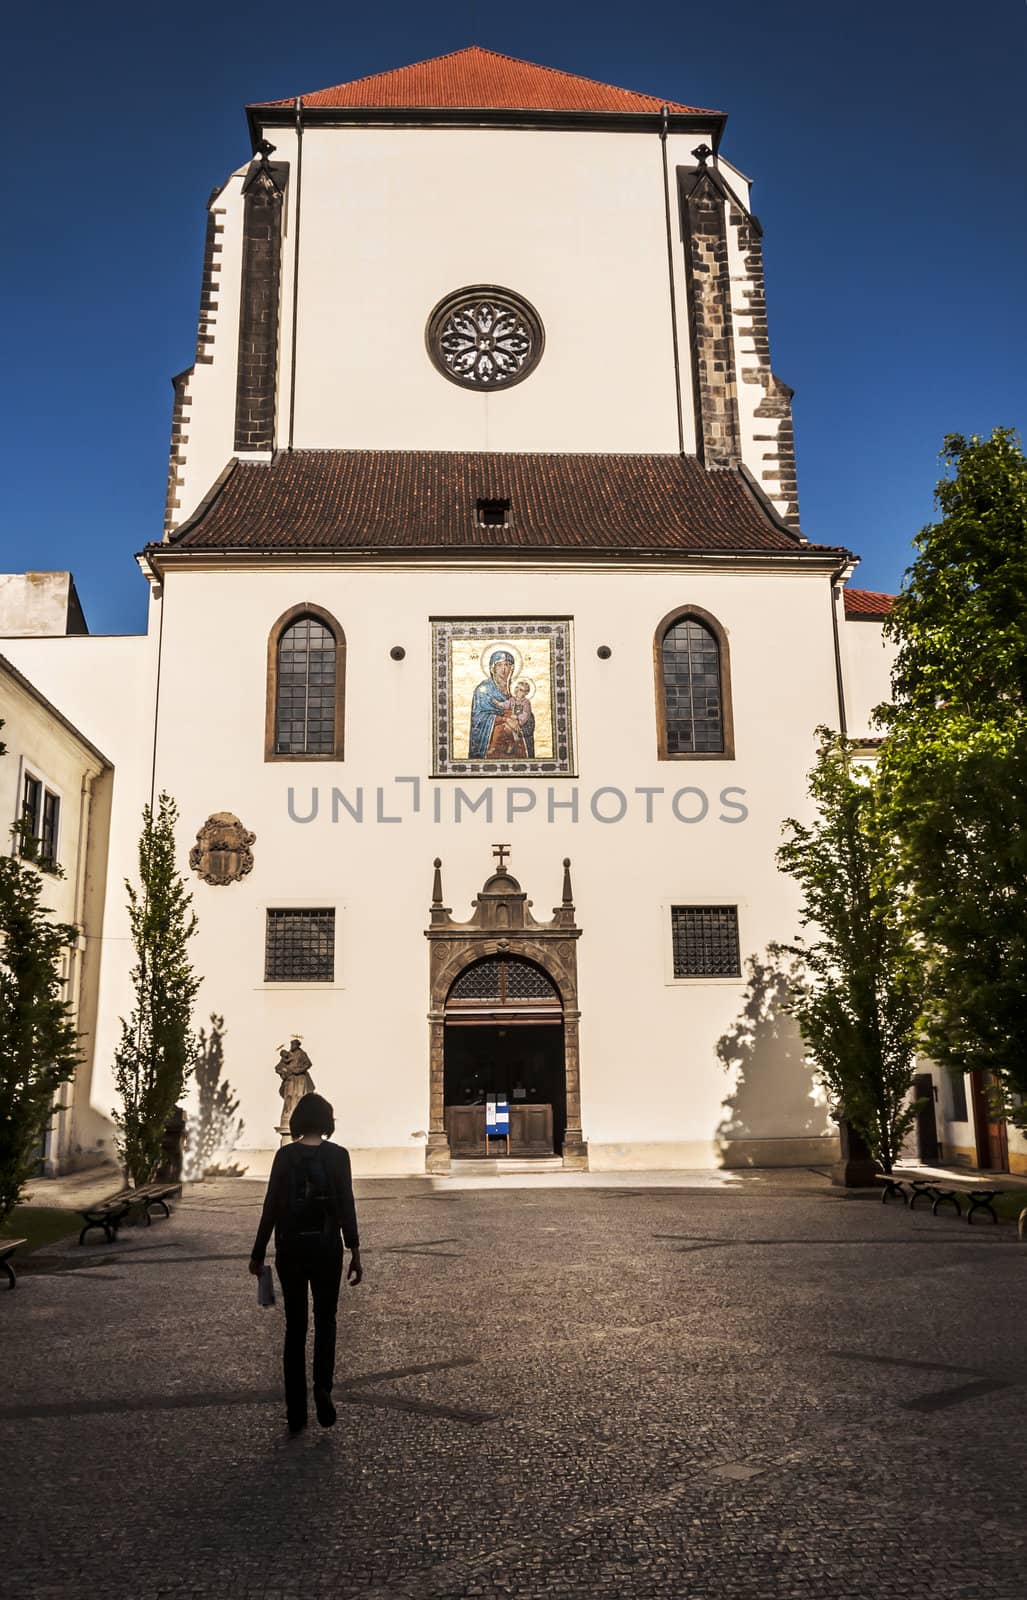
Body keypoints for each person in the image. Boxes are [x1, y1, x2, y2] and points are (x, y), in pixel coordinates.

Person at [249, 1092, 362, 1434]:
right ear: (327, 1121)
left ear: (298, 1120)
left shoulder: (285, 1157)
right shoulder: (338, 1156)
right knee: (327, 1321)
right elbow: (346, 1204)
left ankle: (296, 1409)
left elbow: (271, 1206)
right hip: (327, 1249)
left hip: (291, 1250)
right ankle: (323, 1388)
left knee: (295, 1328)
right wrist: (354, 1250)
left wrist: (257, 1254)